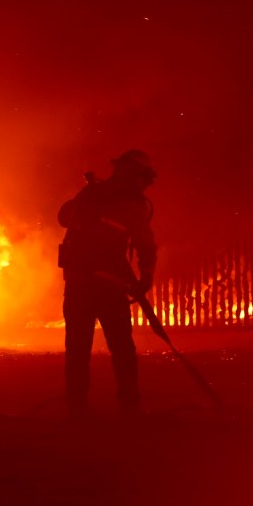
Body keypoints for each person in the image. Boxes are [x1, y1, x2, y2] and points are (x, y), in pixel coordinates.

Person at [57, 149, 158, 418]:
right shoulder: (130, 202)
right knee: (122, 348)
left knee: (77, 348)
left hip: (78, 284)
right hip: (109, 286)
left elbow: (63, 217)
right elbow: (146, 244)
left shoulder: (91, 193)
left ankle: (76, 408)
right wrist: (145, 277)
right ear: (138, 176)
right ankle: (130, 406)